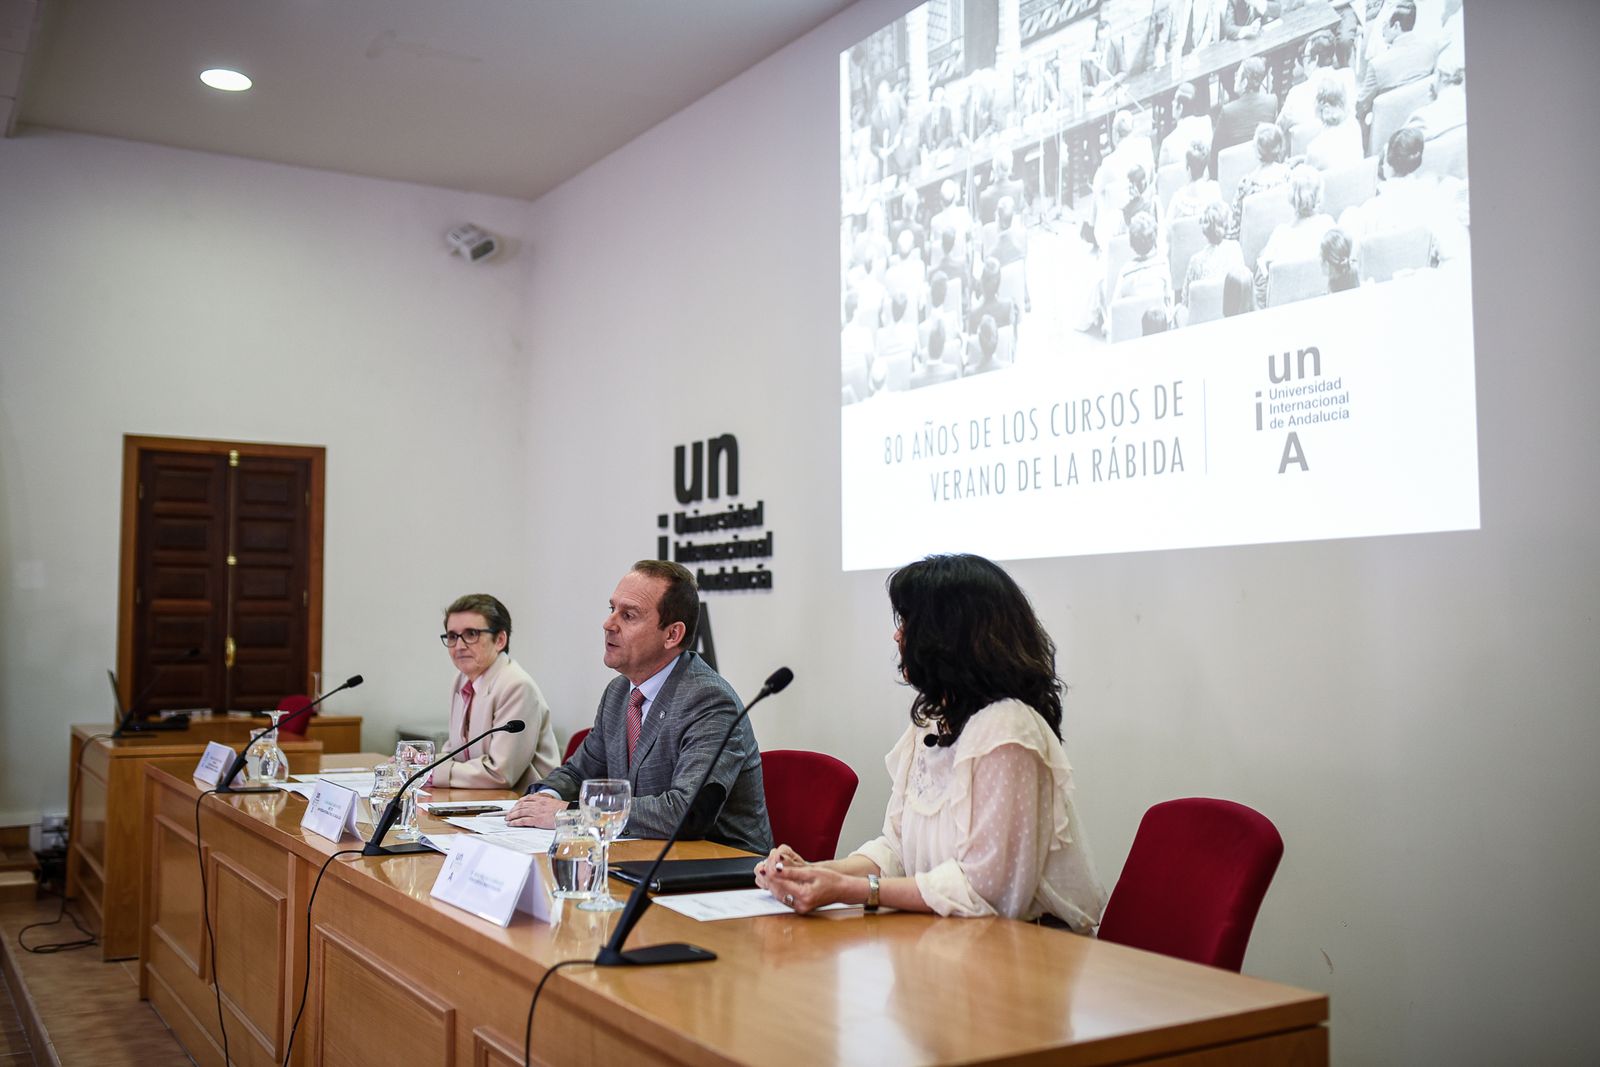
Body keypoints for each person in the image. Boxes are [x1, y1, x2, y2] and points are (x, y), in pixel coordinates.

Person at [754, 554, 1105, 930]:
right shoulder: (934, 720)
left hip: (1029, 950)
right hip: (946, 937)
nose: (897, 635)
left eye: (907, 621)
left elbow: (990, 895)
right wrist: (815, 872)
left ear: (948, 635)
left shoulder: (1008, 729)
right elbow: (896, 847)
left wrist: (851, 889)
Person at [506, 560, 772, 853]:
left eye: (628, 615)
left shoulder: (708, 701)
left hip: (718, 867)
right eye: (612, 610)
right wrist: (544, 798)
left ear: (672, 634)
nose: (608, 624)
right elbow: (578, 773)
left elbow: (685, 813)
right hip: (641, 852)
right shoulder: (620, 692)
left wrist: (570, 813)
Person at [430, 594, 559, 791]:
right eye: (452, 636)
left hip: (521, 804)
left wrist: (433, 773)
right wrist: (419, 764)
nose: (459, 646)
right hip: (479, 799)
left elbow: (500, 774)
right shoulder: (461, 680)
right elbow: (455, 753)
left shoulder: (516, 686)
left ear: (500, 640)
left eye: (471, 634)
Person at [1253, 164, 1335, 307]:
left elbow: (1260, 286)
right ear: (1319, 195)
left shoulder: (1279, 235)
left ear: (1291, 196)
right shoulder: (1329, 227)